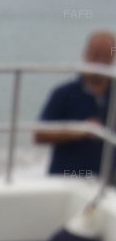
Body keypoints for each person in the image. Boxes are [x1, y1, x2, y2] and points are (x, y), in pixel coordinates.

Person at [34, 31, 116, 180]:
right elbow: (39, 135)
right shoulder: (64, 93)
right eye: (95, 55)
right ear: (86, 55)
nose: (100, 61)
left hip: (109, 181)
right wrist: (79, 131)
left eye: (105, 56)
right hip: (68, 178)